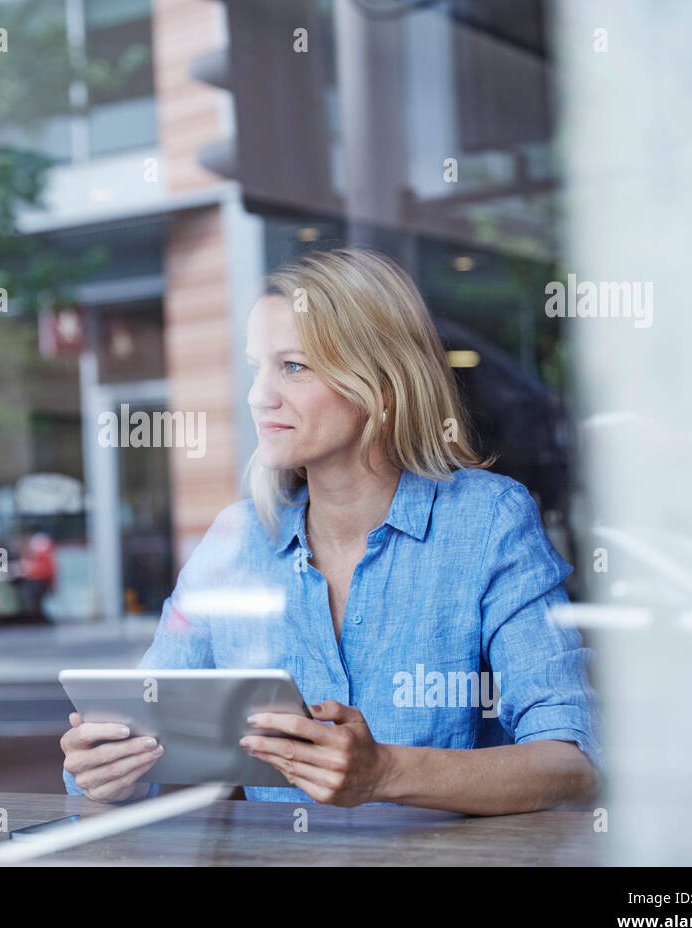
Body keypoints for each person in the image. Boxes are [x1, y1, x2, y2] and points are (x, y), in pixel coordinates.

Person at [60, 248, 603, 814]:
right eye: (256, 367)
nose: (257, 395)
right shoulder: (236, 540)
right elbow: (141, 734)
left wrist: (385, 772)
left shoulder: (486, 521)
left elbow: (571, 762)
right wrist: (108, 769)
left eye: (292, 366)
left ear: (380, 383)